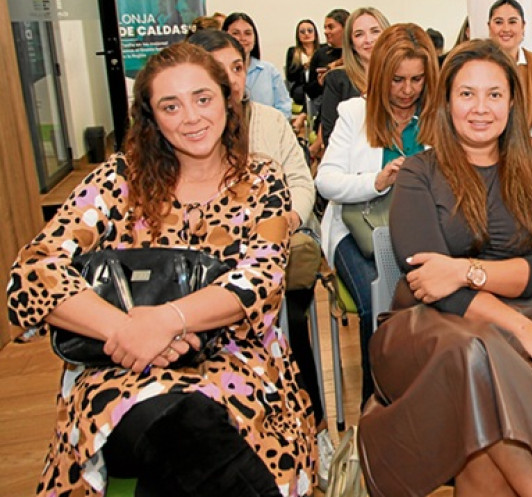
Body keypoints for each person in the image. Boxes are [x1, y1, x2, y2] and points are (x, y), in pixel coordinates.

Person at [6, 42, 316, 496]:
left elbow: (259, 278)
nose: (191, 117)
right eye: (171, 105)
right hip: (120, 370)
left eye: (202, 98)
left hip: (235, 363)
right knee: (175, 420)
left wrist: (169, 320)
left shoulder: (262, 180)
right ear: (150, 117)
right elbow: (32, 272)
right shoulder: (117, 182)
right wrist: (131, 331)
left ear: (228, 101)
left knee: (188, 438)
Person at [357, 38, 532, 497]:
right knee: (471, 352)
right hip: (421, 334)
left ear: (513, 102)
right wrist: (523, 331)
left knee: (478, 430)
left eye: (494, 94)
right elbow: (431, 284)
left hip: (514, 325)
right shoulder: (418, 173)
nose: (480, 108)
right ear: (446, 101)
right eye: (466, 94)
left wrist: (464, 270)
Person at [184, 28, 333, 490]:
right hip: (201, 274)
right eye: (218, 70)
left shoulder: (268, 121)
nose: (231, 79)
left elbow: (301, 180)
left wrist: (285, 219)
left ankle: (316, 428)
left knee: (289, 316)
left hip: (274, 256)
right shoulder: (188, 130)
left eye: (237, 67)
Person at [314, 23, 438, 406]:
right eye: (398, 79)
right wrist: (379, 180)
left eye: (417, 79)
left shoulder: (436, 116)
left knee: (440, 295)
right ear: (381, 73)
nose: (407, 90)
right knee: (377, 298)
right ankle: (378, 403)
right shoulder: (355, 113)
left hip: (417, 231)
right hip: (358, 230)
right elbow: (326, 182)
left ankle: (429, 394)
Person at [488, 0, 532, 147]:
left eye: (513, 22)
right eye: (498, 22)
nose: (506, 29)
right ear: (489, 27)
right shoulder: (478, 66)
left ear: (523, 26)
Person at [319, 7, 390, 147]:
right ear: (350, 42)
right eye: (359, 34)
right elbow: (330, 136)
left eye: (375, 31)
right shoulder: (337, 80)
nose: (368, 40)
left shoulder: (402, 77)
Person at [224, 12, 293, 120]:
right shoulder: (218, 71)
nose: (242, 38)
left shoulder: (269, 71)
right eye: (235, 33)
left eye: (248, 33)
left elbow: (284, 107)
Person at [304, 8, 349, 113]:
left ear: (345, 28)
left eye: (331, 27)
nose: (326, 32)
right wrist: (320, 83)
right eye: (325, 28)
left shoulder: (358, 53)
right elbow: (309, 90)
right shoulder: (320, 54)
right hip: (327, 106)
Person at [285, 19, 319, 110]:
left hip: (317, 85)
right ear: (298, 35)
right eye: (302, 32)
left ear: (315, 34)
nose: (306, 34)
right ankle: (306, 114)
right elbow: (290, 75)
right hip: (300, 87)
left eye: (310, 31)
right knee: (305, 92)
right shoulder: (292, 51)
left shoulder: (322, 50)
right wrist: (303, 68)